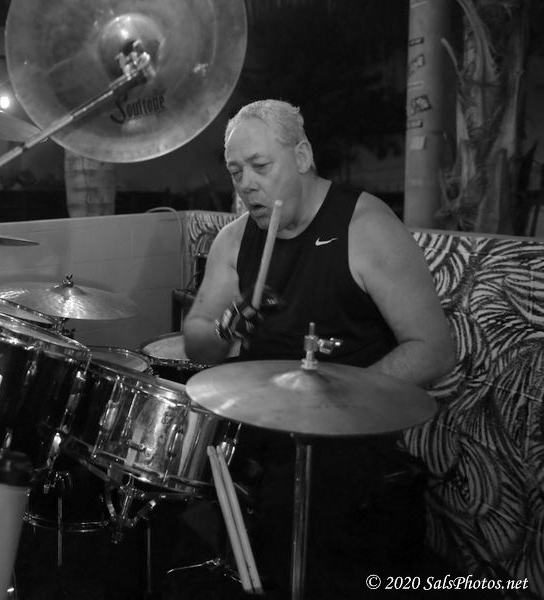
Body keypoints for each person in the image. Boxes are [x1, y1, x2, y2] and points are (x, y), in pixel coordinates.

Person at [183, 100, 456, 597]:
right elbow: (197, 339)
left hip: (347, 436)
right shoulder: (235, 239)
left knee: (290, 526)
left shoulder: (365, 226)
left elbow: (434, 349)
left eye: (261, 166)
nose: (246, 185)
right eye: (236, 172)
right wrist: (227, 327)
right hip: (258, 418)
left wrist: (336, 403)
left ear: (303, 156)